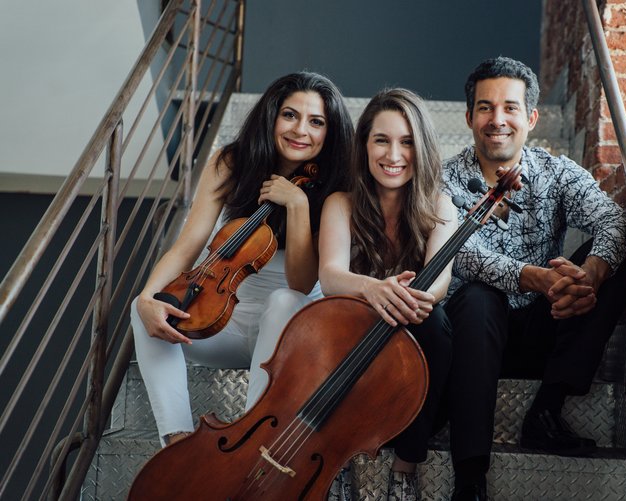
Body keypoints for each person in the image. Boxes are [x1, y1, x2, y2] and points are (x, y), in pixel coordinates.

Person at [441, 56, 626, 500]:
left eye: (510, 107)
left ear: (530, 117)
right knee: (477, 296)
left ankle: (546, 411)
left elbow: (615, 222)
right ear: (469, 117)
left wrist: (586, 277)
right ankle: (470, 476)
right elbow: (460, 255)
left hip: (543, 331)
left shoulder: (557, 172)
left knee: (616, 252)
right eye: (485, 108)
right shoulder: (444, 179)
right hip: (472, 341)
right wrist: (532, 278)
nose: (497, 120)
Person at [131, 72, 353, 446]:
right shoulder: (232, 162)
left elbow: (301, 283)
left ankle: (250, 442)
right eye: (290, 115)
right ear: (271, 116)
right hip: (228, 317)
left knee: (283, 300)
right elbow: (187, 246)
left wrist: (298, 205)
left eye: (316, 122)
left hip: (293, 329)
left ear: (329, 132)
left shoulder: (337, 182)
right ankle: (178, 443)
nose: (301, 130)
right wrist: (147, 297)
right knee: (144, 311)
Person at [318, 88, 457, 501]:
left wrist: (404, 299)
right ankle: (336, 460)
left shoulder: (440, 205)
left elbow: (437, 284)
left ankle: (404, 471)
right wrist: (374, 289)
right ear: (364, 146)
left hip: (409, 357)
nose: (393, 154)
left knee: (436, 322)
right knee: (329, 323)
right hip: (352, 349)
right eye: (381, 140)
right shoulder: (340, 204)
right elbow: (329, 276)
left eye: (407, 141)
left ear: (422, 148)